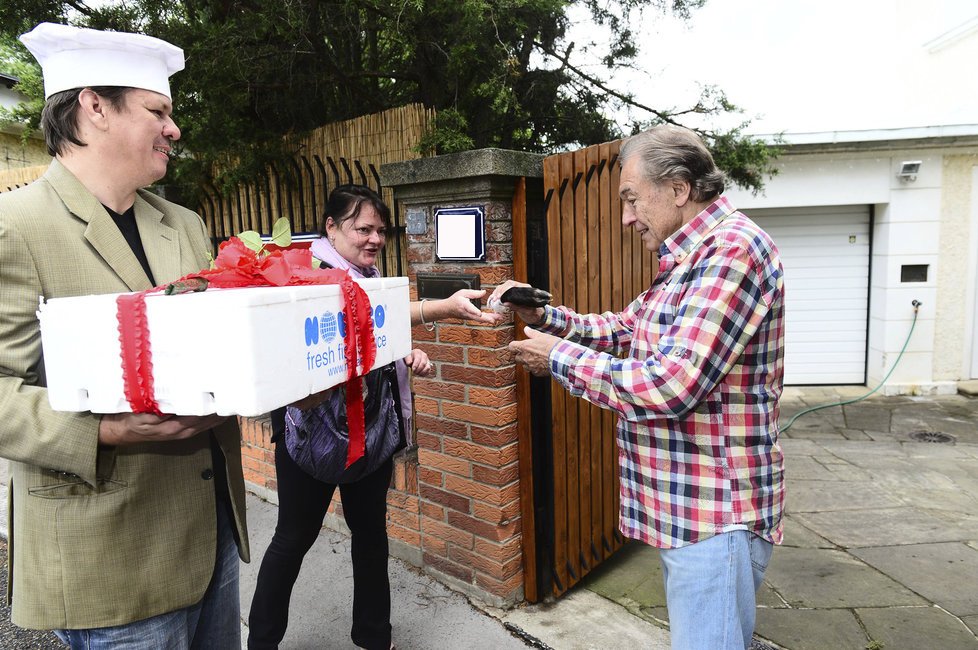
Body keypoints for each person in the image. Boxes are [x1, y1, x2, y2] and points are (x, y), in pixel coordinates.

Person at [0, 23, 249, 648]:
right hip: (108, 556)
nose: (175, 128)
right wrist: (104, 429)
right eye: (157, 110)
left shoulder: (183, 224)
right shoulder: (17, 227)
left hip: (209, 534)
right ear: (94, 108)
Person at [493, 125, 786, 650]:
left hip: (715, 516)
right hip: (694, 513)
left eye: (632, 199)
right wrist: (546, 316)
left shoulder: (731, 253)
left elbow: (672, 384)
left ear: (677, 189)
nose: (626, 217)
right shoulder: (690, 260)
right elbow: (626, 330)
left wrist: (557, 356)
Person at [247, 184, 502, 650]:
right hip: (312, 438)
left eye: (380, 230)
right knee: (292, 540)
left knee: (370, 537)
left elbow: (374, 328)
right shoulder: (307, 274)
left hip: (371, 432)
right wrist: (440, 309)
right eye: (363, 228)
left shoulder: (368, 273)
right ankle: (261, 642)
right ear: (331, 227)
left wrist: (403, 352)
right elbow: (346, 322)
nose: (374, 239)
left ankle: (373, 638)